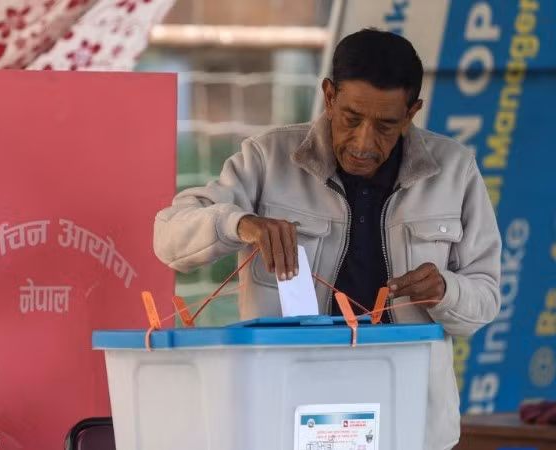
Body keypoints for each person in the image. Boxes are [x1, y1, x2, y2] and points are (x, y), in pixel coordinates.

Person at [153, 28, 501, 450]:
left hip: (410, 422)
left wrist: (446, 290)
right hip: (286, 414)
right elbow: (168, 236)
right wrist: (239, 224)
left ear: (412, 113)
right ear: (329, 96)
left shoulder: (455, 171)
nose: (364, 143)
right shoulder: (267, 159)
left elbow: (484, 300)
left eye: (387, 126)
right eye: (352, 119)